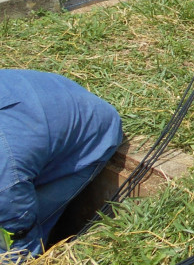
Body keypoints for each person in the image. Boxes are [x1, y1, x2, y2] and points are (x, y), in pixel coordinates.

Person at [0, 69, 123, 261]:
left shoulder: (6, 176)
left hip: (88, 138)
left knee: (14, 234)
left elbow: (17, 237)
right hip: (44, 104)